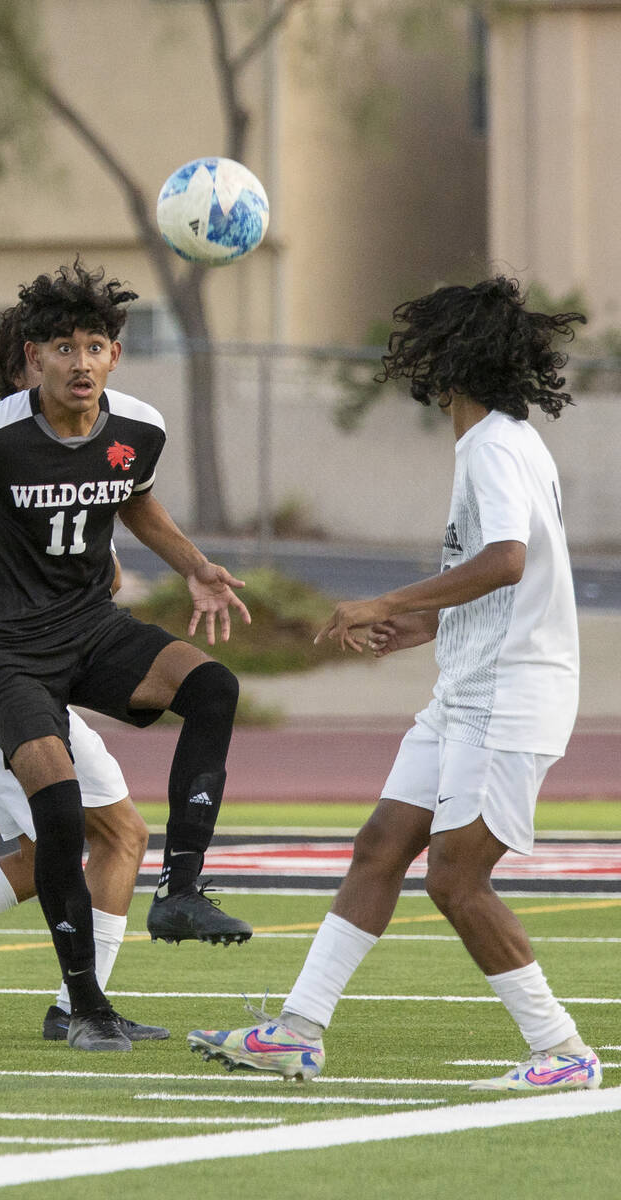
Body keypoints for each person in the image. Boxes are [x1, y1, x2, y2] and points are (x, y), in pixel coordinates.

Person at [188, 276, 602, 1093]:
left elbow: (510, 559)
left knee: (454, 877)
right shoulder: (505, 438)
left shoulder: (492, 445)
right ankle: (296, 1032)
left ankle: (562, 1051)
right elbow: (510, 578)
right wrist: (430, 624)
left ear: (447, 359)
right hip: (469, 687)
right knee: (380, 846)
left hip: (510, 696)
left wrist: (390, 599)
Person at [0, 261, 252, 1053]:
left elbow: (128, 493)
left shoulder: (124, 428)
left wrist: (148, 541)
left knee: (114, 832)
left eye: (93, 347)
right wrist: (36, 495)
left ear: (111, 356)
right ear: (28, 362)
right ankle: (61, 1001)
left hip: (77, 640)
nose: (78, 363)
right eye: (59, 349)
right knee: (62, 832)